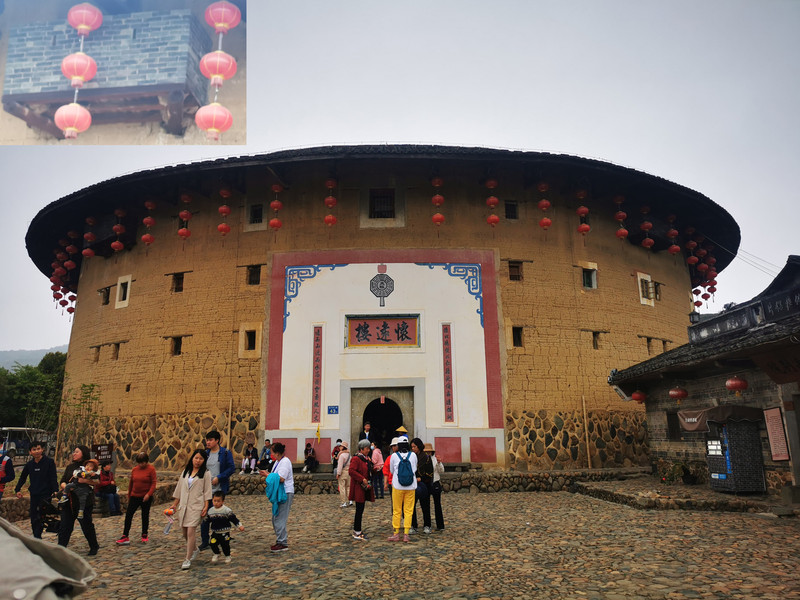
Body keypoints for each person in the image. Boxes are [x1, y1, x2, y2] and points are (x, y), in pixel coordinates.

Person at [168, 449, 213, 570]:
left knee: (190, 531)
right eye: (196, 458)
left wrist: (206, 506)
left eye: (201, 459)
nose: (198, 461)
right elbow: (179, 489)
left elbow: (207, 491)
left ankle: (187, 558)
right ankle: (195, 549)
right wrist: (175, 504)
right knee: (184, 532)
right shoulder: (185, 472)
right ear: (192, 458)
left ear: (204, 461)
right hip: (184, 505)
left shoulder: (206, 473)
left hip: (196, 506)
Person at [57, 445, 100, 555]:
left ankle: (94, 546)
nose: (74, 454)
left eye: (77, 452)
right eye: (74, 452)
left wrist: (85, 481)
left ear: (83, 453)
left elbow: (97, 482)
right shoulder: (70, 467)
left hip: (84, 502)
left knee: (86, 525)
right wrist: (66, 487)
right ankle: (60, 549)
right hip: (69, 501)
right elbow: (62, 481)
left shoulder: (89, 467)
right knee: (65, 526)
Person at [14, 440, 58, 539]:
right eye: (34, 449)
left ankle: (39, 535)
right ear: (30, 452)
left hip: (46, 494)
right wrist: (17, 489)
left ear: (42, 450)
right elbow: (23, 477)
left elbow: (53, 477)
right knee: (34, 517)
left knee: (42, 516)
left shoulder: (49, 462)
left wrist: (55, 490)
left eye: (38, 449)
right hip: (34, 494)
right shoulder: (29, 465)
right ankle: (36, 537)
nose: (37, 451)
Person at [199, 430, 235, 551]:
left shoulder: (225, 453)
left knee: (218, 515)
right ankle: (205, 541)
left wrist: (219, 477)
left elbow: (231, 468)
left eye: (210, 440)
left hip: (219, 489)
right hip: (206, 490)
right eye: (207, 440)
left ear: (217, 441)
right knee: (205, 515)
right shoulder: (205, 454)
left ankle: (222, 535)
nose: (208, 442)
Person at [116, 452, 157, 545]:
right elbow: (131, 483)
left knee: (145, 515)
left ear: (146, 461)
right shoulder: (135, 470)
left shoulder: (151, 469)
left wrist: (148, 494)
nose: (141, 464)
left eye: (143, 462)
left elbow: (153, 483)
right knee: (129, 515)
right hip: (135, 496)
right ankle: (125, 535)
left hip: (145, 497)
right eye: (139, 463)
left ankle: (144, 534)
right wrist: (129, 495)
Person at [259, 442, 293, 552]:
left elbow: (281, 478)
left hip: (285, 492)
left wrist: (267, 475)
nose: (271, 454)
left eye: (272, 452)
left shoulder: (285, 462)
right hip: (279, 492)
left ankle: (282, 542)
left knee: (280, 518)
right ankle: (280, 540)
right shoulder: (278, 462)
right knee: (275, 518)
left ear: (277, 453)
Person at [387, 436, 417, 542]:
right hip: (411, 486)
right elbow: (415, 469)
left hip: (397, 486)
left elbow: (391, 470)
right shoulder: (413, 455)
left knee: (397, 510)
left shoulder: (394, 456)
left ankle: (396, 533)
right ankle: (406, 534)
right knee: (408, 510)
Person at [204, 490, 244, 563]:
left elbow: (234, 519)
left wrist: (239, 525)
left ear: (222, 501)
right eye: (214, 501)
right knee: (212, 543)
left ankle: (227, 556)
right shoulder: (211, 511)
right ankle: (217, 553)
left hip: (224, 532)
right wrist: (201, 521)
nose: (216, 503)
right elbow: (207, 520)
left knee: (225, 545)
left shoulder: (226, 510)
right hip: (215, 531)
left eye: (218, 501)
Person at [349, 439, 375, 540]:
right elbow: (351, 471)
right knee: (359, 510)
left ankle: (358, 530)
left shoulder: (366, 459)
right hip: (358, 487)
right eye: (366, 448)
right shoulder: (356, 459)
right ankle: (357, 531)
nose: (368, 450)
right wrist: (362, 478)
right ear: (361, 449)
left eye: (369, 448)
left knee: (361, 509)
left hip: (364, 487)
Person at [409, 437, 433, 534]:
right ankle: (413, 525)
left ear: (419, 446)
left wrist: (421, 478)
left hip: (424, 485)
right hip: (413, 485)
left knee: (425, 506)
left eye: (414, 446)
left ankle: (427, 525)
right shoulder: (411, 457)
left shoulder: (426, 457)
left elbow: (430, 472)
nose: (413, 449)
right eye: (412, 447)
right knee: (412, 506)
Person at [426, 443, 445, 531]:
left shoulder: (435, 459)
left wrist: (439, 463)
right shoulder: (422, 460)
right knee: (426, 505)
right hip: (426, 483)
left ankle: (440, 525)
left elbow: (442, 470)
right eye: (426, 452)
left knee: (437, 505)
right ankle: (427, 525)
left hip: (435, 482)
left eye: (429, 452)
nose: (428, 453)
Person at [336, 441, 351, 507]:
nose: (340, 447)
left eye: (341, 446)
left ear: (343, 447)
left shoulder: (341, 455)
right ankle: (350, 500)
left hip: (343, 472)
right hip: (349, 472)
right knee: (348, 487)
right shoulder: (349, 455)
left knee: (342, 487)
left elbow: (340, 465)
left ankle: (343, 502)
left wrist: (338, 473)